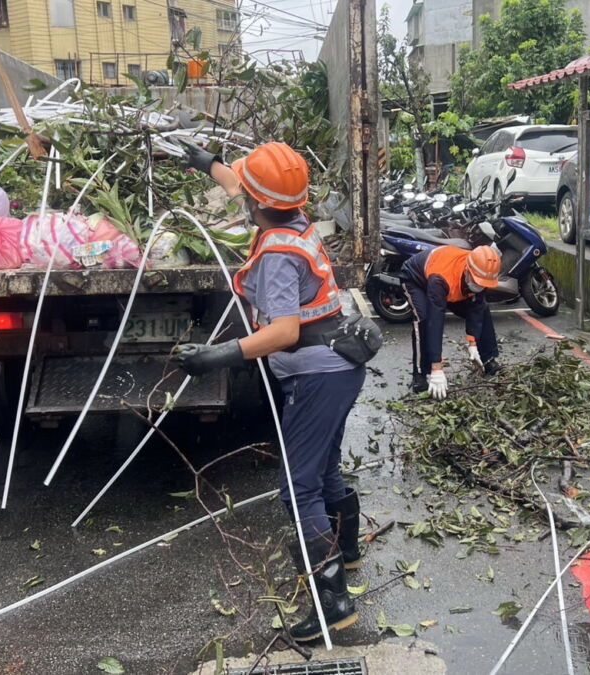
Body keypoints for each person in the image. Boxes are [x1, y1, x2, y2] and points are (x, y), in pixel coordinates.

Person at [171, 140, 363, 642]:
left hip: (317, 375)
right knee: (323, 469)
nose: (242, 194)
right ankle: (348, 550)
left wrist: (217, 356)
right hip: (341, 366)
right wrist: (206, 163)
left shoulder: (277, 254)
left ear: (259, 202)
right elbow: (243, 187)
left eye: (245, 190)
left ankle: (333, 603)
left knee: (297, 489)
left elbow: (283, 332)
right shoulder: (293, 220)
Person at [400, 244, 502, 400]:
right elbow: (435, 321)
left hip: (453, 285)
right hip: (416, 279)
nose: (480, 287)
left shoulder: (482, 269)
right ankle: (420, 374)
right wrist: (437, 366)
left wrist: (473, 343)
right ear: (468, 270)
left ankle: (488, 359)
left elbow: (476, 307)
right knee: (424, 319)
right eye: (477, 282)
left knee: (483, 310)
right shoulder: (439, 279)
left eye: (484, 285)